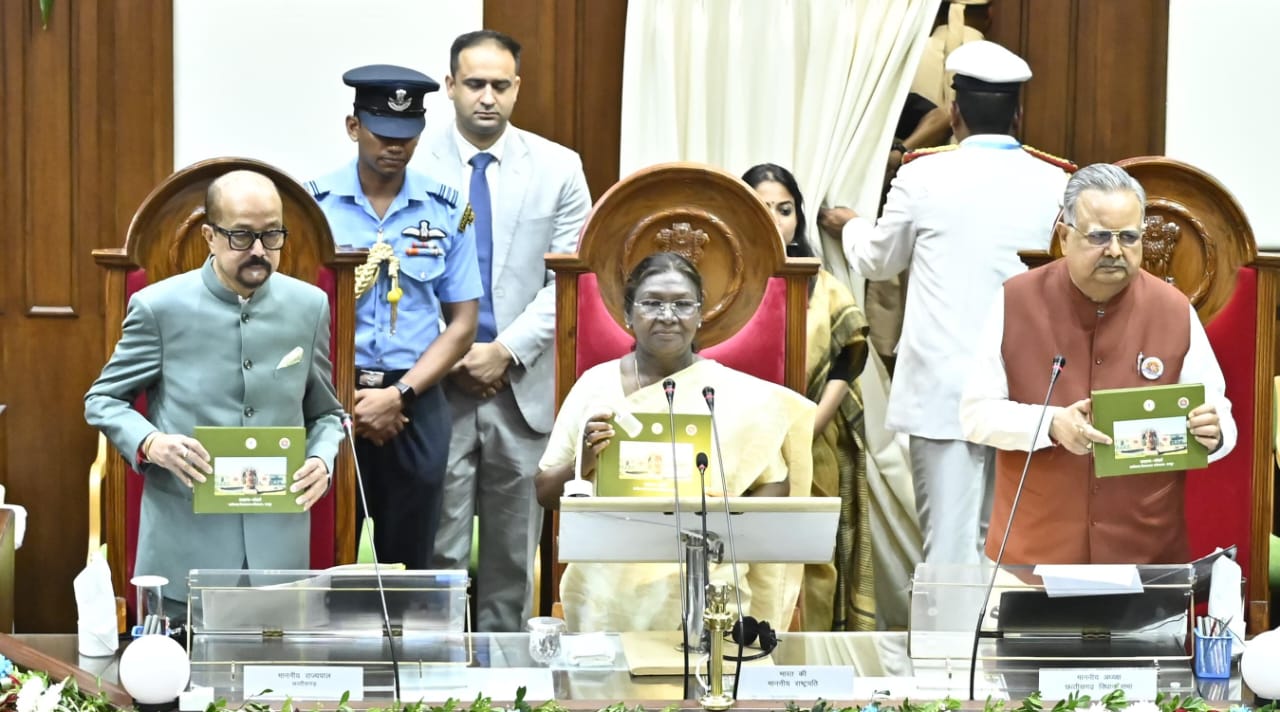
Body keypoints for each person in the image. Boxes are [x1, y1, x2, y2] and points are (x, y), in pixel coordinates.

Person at [816, 40, 1073, 569]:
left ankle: (942, 655)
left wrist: (850, 226)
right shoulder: (1058, 181)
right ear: (1018, 113)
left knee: (948, 553)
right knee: (1012, 551)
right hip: (1025, 390)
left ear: (954, 112)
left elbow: (880, 261)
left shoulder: (922, 174)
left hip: (944, 391)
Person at [85, 170, 344, 619]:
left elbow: (326, 413)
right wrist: (151, 443)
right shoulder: (158, 308)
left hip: (276, 555)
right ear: (209, 235)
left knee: (272, 687)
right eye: (242, 235)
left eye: (272, 235)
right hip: (184, 550)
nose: (260, 251)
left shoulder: (309, 306)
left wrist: (323, 458)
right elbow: (103, 400)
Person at [959, 163, 1236, 564]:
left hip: (1146, 555)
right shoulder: (1015, 302)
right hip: (1034, 556)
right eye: (1100, 236)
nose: (1115, 250)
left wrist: (1215, 432)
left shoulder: (1173, 309)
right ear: (1065, 236)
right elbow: (975, 415)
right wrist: (1051, 424)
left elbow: (1221, 415)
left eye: (1128, 236)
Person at [534, 252, 816, 633]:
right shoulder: (594, 386)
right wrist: (582, 462)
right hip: (606, 590)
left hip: (706, 587)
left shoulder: (740, 396)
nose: (667, 315)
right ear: (629, 314)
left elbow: (776, 485)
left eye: (683, 304)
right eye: (651, 303)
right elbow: (546, 493)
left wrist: (724, 515)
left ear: (700, 315)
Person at [426, 30, 592, 633]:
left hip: (520, 388)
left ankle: (504, 686)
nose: (488, 98)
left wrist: (504, 350)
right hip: (437, 388)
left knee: (512, 560)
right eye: (474, 84)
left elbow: (570, 283)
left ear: (517, 88)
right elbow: (400, 282)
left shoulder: (559, 167)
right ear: (450, 87)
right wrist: (453, 357)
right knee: (438, 554)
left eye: (501, 85)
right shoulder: (416, 164)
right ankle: (434, 679)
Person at [308, 65, 481, 569]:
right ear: (353, 126)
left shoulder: (448, 208)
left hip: (415, 399)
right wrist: (347, 397)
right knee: (325, 547)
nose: (396, 147)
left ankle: (403, 647)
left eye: (407, 137)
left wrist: (398, 395)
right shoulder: (312, 205)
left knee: (410, 559)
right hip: (332, 397)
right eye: (383, 134)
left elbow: (463, 324)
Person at [742, 164, 874, 632]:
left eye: (785, 209)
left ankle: (811, 659)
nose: (776, 220)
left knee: (811, 559)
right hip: (738, 450)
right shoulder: (725, 282)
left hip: (812, 443)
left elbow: (849, 359)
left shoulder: (822, 285)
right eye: (761, 209)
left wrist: (806, 428)